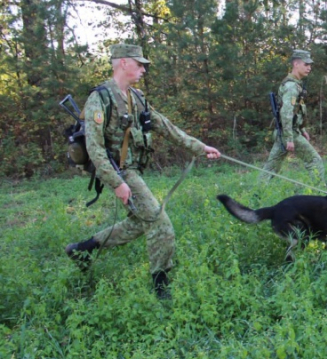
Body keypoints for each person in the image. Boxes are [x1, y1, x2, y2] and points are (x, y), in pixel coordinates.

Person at [64, 43, 221, 298]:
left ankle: (83, 249)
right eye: (139, 64)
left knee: (139, 223)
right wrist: (117, 182)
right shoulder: (100, 98)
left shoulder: (136, 97)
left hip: (132, 170)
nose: (143, 70)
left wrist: (201, 147)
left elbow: (166, 127)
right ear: (123, 63)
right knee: (160, 224)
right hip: (121, 172)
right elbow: (95, 149)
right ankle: (161, 287)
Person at [262, 49, 325, 185]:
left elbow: (296, 111)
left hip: (285, 133)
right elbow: (286, 113)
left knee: (271, 167)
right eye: (306, 64)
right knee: (314, 160)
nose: (309, 68)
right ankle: (321, 195)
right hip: (288, 134)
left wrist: (302, 130)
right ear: (296, 64)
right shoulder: (291, 86)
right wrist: (290, 138)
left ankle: (256, 195)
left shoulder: (295, 84)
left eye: (310, 65)